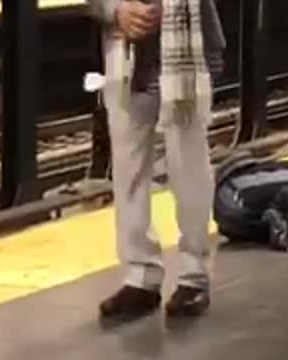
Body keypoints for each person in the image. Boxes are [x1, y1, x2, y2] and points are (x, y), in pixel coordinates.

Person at [88, 0, 226, 318]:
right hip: (125, 54)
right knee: (127, 167)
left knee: (187, 166)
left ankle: (194, 274)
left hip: (186, 52)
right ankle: (141, 277)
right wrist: (117, 10)